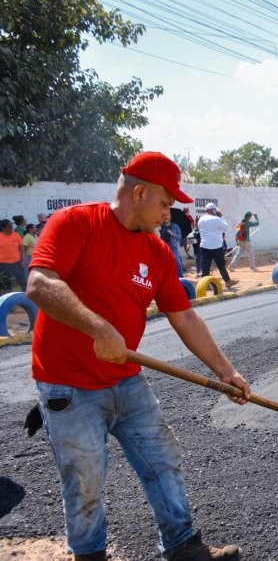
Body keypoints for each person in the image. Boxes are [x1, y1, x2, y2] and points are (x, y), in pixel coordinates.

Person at [25, 151, 248, 561]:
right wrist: (98, 327)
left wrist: (226, 371)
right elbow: (40, 284)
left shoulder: (158, 253)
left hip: (125, 380)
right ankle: (89, 555)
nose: (169, 214)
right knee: (85, 478)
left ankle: (182, 546)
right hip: (67, 383)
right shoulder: (76, 223)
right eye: (165, 204)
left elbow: (184, 317)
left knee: (163, 458)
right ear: (139, 192)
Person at [198, 203, 238, 289]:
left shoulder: (201, 219)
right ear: (212, 210)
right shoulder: (216, 219)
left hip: (204, 245)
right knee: (221, 265)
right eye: (215, 210)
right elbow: (226, 228)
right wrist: (221, 217)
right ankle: (227, 282)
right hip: (216, 246)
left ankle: (204, 285)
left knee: (205, 266)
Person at [0, 218, 28, 291]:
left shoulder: (16, 235)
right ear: (3, 228)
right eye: (9, 226)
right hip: (3, 264)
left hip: (17, 263)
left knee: (23, 282)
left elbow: (21, 247)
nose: (12, 227)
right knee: (6, 284)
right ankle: (9, 298)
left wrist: (23, 259)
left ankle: (27, 298)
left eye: (11, 225)